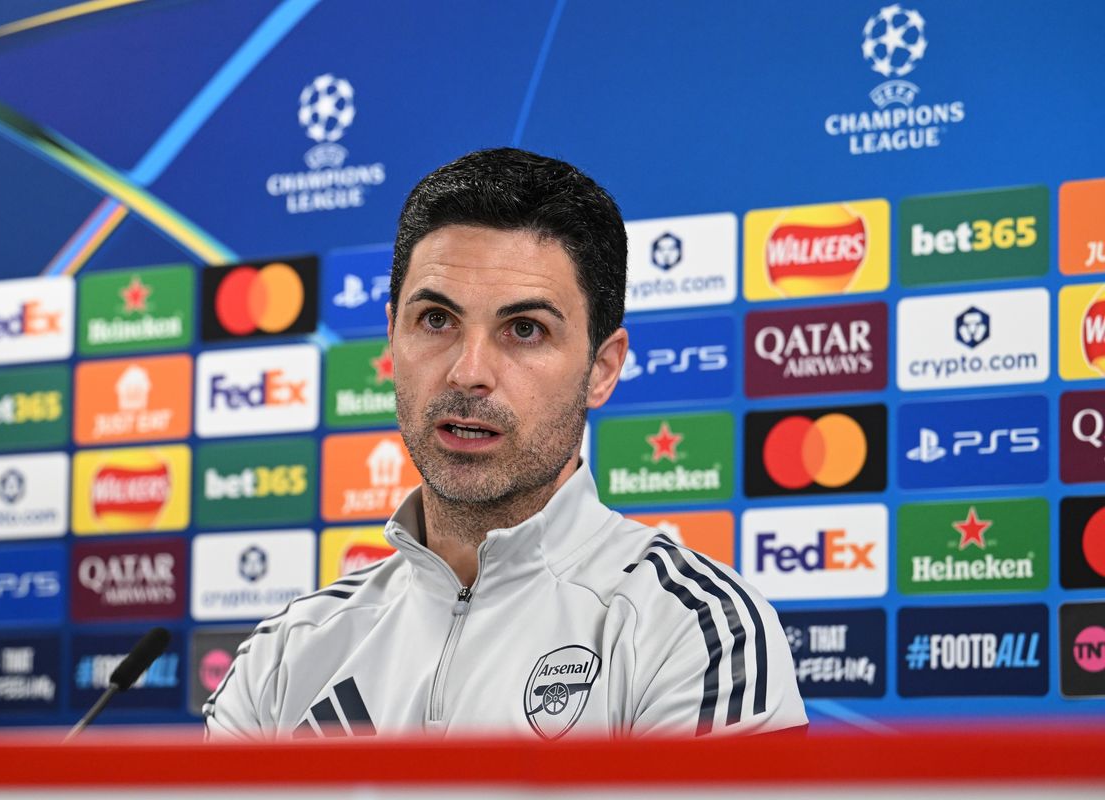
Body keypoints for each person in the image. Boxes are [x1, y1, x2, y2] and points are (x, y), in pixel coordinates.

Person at [204, 148, 807, 740]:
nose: (468, 372)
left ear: (602, 368)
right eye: (436, 320)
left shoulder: (697, 631)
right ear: (392, 336)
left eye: (525, 330)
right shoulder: (282, 657)